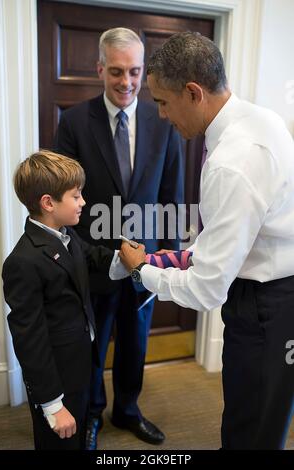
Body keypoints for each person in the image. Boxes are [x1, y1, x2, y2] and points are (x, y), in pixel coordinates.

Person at [118, 32, 294, 450]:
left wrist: (142, 272)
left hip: (265, 309)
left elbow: (208, 288)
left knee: (249, 432)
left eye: (162, 101)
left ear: (193, 92)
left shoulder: (233, 163)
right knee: (256, 420)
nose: (160, 115)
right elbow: (247, 228)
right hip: (274, 295)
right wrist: (181, 258)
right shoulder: (261, 118)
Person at [53, 27, 184, 449]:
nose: (125, 82)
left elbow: (171, 192)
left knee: (135, 341)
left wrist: (172, 258)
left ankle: (128, 409)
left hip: (144, 262)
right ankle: (92, 412)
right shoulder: (73, 122)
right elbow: (65, 198)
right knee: (94, 344)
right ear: (99, 70)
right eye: (115, 71)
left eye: (133, 71)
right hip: (94, 259)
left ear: (143, 71)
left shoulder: (162, 120)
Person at [2, 150, 118, 450]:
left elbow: (93, 256)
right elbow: (30, 340)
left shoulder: (66, 235)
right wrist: (53, 405)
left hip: (78, 363)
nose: (83, 202)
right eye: (76, 196)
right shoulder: (23, 262)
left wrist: (129, 259)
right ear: (48, 203)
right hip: (56, 377)